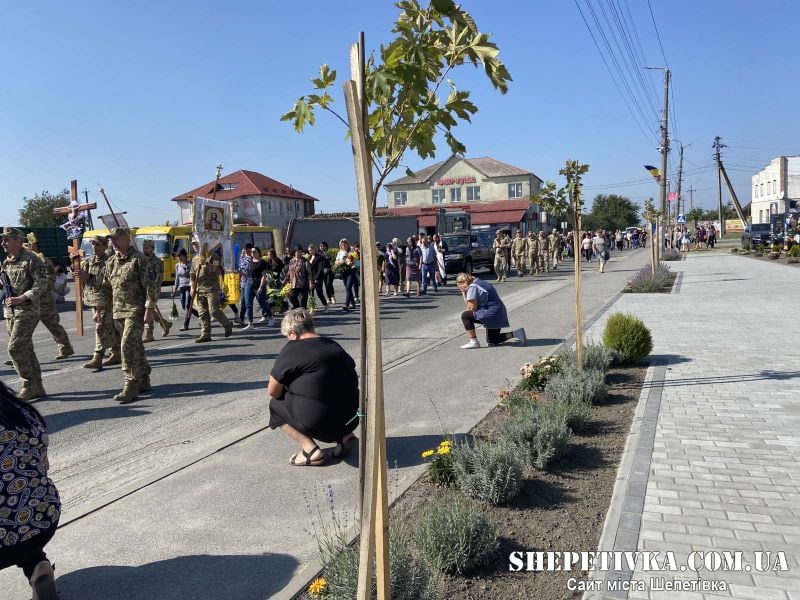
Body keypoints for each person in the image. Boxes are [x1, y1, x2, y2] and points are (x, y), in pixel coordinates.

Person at [267, 308, 359, 466]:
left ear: (293, 333)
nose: (287, 341)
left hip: (320, 422)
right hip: (352, 418)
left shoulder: (292, 349)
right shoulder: (333, 344)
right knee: (330, 389)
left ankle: (310, 450)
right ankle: (345, 437)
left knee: (275, 405)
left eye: (287, 336)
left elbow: (273, 391)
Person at [0, 381, 60, 599]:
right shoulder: (18, 410)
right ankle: (38, 566)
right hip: (41, 519)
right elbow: (43, 466)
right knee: (13, 505)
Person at [103, 227, 157, 403]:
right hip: (118, 310)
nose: (114, 242)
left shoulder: (139, 259)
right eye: (112, 239)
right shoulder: (112, 261)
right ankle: (143, 379)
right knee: (135, 345)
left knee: (127, 345)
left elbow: (151, 286)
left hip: (136, 309)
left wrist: (149, 309)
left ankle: (131, 383)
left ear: (128, 239)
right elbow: (105, 285)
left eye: (117, 238)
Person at [1, 228, 48, 400]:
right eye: (3, 240)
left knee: (15, 348)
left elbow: (42, 283)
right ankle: (38, 387)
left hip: (28, 310)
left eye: (6, 240)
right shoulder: (7, 262)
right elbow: (7, 285)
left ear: (18, 241)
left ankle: (28, 385)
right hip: (11, 311)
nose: (2, 243)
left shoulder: (31, 259)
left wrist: (23, 297)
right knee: (26, 348)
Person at [25, 233, 74, 361]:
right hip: (29, 302)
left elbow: (51, 278)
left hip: (44, 300)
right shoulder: (24, 261)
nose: (29, 246)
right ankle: (19, 354)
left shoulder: (44, 261)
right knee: (23, 329)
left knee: (53, 325)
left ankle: (65, 347)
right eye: (28, 244)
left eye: (32, 244)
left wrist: (37, 287)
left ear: (36, 246)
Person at [77, 235, 121, 371]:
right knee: (110, 328)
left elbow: (110, 280)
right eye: (93, 244)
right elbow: (86, 281)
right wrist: (80, 275)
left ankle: (97, 357)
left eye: (97, 244)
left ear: (104, 246)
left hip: (107, 300)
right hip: (93, 300)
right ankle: (117, 352)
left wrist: (90, 277)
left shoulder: (110, 261)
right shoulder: (89, 261)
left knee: (100, 327)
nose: (94, 247)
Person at [456, 273, 525, 349]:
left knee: (465, 316)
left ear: (463, 283)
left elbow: (471, 308)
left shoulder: (473, 287)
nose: (460, 288)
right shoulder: (480, 282)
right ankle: (516, 333)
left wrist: (464, 293)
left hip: (491, 314)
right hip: (499, 312)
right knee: (492, 340)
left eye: (460, 286)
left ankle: (473, 341)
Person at [190, 240, 234, 343]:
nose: (196, 247)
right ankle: (205, 334)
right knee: (202, 313)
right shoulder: (195, 259)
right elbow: (192, 274)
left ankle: (227, 324)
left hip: (212, 288)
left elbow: (218, 270)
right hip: (200, 289)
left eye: (197, 245)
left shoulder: (213, 257)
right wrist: (192, 287)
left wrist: (208, 265)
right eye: (194, 246)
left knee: (214, 311)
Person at [141, 239, 171, 343]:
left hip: (153, 290)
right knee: (147, 310)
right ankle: (165, 324)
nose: (145, 250)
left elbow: (159, 278)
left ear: (152, 249)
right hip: (142, 290)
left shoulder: (157, 262)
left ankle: (149, 334)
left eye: (148, 248)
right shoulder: (141, 260)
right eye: (144, 248)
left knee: (148, 311)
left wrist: (152, 288)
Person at [243, 247, 275, 330]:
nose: (252, 253)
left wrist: (261, 287)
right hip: (249, 283)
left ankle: (271, 317)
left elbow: (263, 276)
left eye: (254, 252)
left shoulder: (262, 262)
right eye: (252, 252)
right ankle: (250, 323)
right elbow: (248, 274)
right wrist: (241, 273)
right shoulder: (250, 262)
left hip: (258, 283)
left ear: (258, 253)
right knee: (248, 304)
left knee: (262, 303)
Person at [173, 248, 198, 331]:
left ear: (184, 256)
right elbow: (177, 279)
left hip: (189, 286)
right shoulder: (177, 265)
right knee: (185, 306)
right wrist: (174, 289)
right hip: (182, 287)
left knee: (188, 305)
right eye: (178, 256)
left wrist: (193, 287)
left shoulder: (191, 264)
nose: (178, 258)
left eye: (180, 256)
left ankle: (185, 324)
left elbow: (193, 276)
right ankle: (201, 316)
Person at [335, 239, 358, 311]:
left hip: (351, 271)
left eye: (345, 244)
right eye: (342, 245)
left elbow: (357, 261)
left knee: (348, 287)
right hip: (344, 272)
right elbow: (336, 262)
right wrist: (341, 262)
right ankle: (353, 304)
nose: (344, 246)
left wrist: (353, 262)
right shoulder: (340, 253)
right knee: (348, 288)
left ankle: (347, 304)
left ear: (348, 244)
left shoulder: (352, 252)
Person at [307, 244, 329, 312]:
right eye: (309, 250)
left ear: (314, 249)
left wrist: (316, 278)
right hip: (310, 277)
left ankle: (325, 305)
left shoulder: (319, 257)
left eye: (311, 250)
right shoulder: (309, 257)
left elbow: (320, 269)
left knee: (319, 293)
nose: (310, 251)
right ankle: (312, 307)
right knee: (311, 293)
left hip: (317, 277)